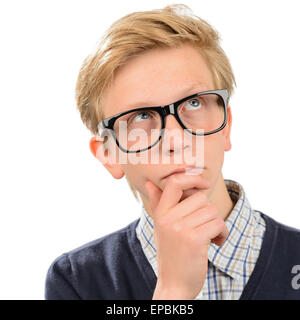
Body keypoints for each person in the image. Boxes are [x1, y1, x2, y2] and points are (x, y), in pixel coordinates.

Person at [45, 4, 300, 300]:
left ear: (226, 127)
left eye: (193, 103)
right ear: (109, 154)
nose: (176, 139)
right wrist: (173, 292)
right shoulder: (78, 282)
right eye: (141, 116)